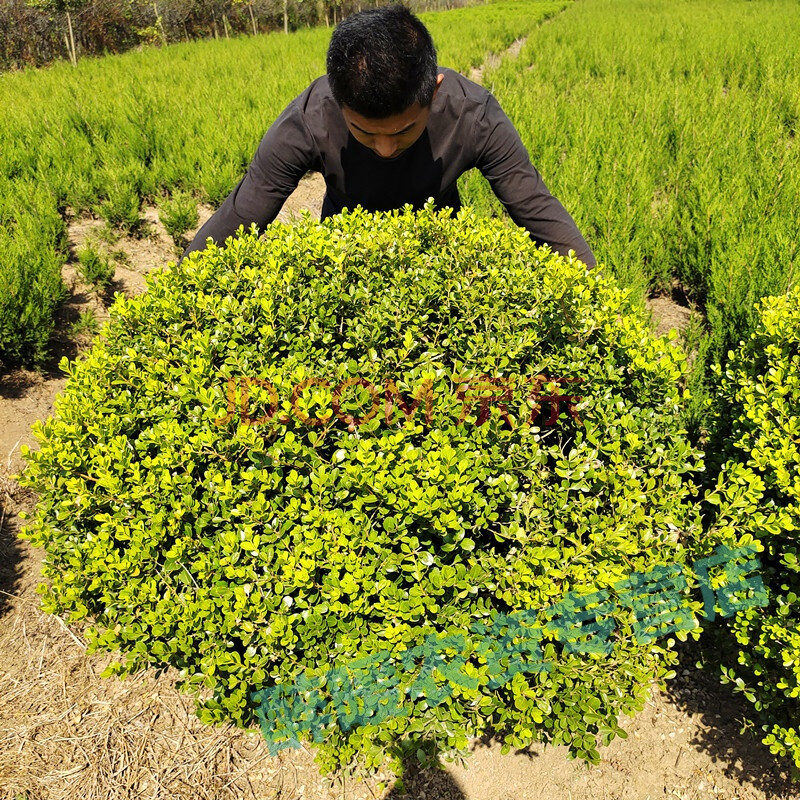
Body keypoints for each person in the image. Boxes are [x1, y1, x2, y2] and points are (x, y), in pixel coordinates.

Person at [181, 3, 596, 268]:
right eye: (363, 131)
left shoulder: (474, 115)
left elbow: (539, 212)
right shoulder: (311, 116)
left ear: (432, 93)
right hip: (344, 251)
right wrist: (181, 296)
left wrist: (592, 304)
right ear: (337, 97)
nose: (384, 148)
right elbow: (241, 213)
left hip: (439, 249)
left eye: (403, 132)